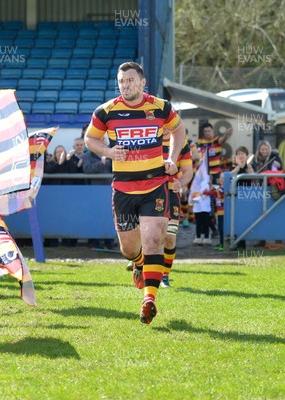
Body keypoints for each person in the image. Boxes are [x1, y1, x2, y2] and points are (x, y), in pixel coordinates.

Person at [84, 61, 186, 324]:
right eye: (121, 81)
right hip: (124, 189)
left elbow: (179, 130)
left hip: (155, 185)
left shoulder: (161, 107)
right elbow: (90, 139)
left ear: (142, 82)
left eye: (130, 80)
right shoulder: (106, 111)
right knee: (129, 249)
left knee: (154, 240)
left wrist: (173, 158)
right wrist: (108, 151)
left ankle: (149, 299)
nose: (126, 85)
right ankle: (139, 263)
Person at [160, 132, 193, 286]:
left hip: (171, 194)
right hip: (149, 194)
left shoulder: (182, 143)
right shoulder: (150, 139)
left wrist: (181, 183)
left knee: (170, 237)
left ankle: (165, 275)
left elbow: (188, 172)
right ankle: (140, 263)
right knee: (149, 236)